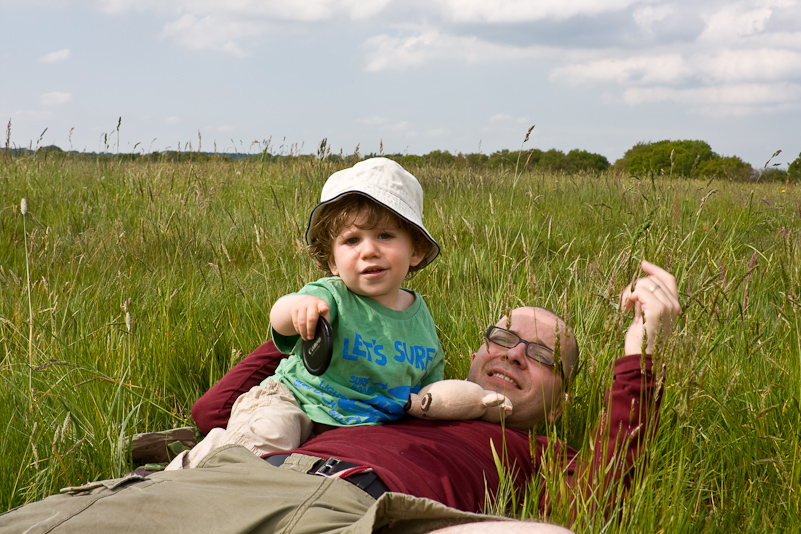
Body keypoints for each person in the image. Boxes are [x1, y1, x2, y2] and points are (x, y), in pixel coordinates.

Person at [0, 260, 679, 534]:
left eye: (540, 354)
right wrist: (315, 329)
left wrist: (642, 350)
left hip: (374, 517)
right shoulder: (377, 396)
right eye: (501, 335)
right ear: (471, 354)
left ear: (558, 405)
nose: (510, 352)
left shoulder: (531, 451)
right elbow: (214, 415)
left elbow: (602, 492)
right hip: (238, 482)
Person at [168, 157, 444, 470]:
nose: (369, 250)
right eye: (352, 240)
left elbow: (430, 388)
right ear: (334, 263)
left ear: (416, 250)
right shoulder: (331, 295)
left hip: (356, 426)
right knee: (262, 443)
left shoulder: (420, 318)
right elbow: (280, 318)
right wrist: (297, 308)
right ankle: (183, 478)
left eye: (385, 236)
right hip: (294, 401)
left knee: (305, 475)